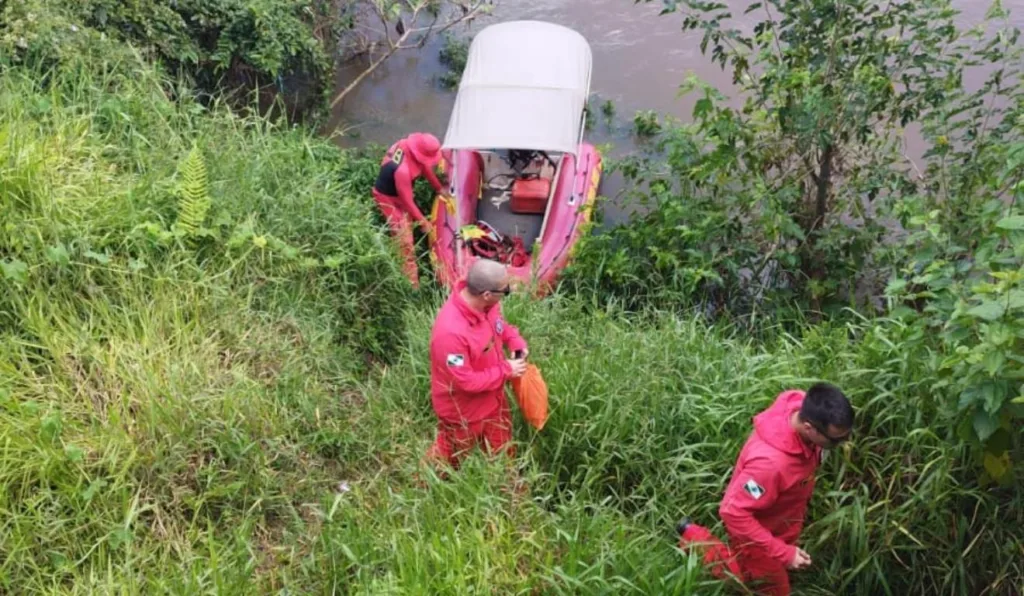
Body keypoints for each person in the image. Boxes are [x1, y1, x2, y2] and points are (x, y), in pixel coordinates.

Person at [677, 383, 854, 596]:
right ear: (809, 428)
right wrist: (783, 553)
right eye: (836, 440)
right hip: (758, 535)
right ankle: (694, 538)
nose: (845, 442)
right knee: (754, 583)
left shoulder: (798, 404)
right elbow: (733, 512)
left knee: (758, 573)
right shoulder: (770, 466)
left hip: (782, 519)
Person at [424, 259, 529, 471]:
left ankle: (508, 489)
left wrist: (515, 341)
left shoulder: (488, 305)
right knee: (447, 462)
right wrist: (506, 370)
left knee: (503, 456)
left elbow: (500, 326)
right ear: (486, 294)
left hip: (494, 400)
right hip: (463, 412)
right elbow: (465, 381)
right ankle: (423, 489)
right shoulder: (450, 334)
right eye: (505, 290)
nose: (507, 292)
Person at [373, 132, 448, 288]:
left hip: (399, 192)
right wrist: (423, 222)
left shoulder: (407, 147)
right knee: (405, 241)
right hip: (389, 199)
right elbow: (407, 202)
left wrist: (439, 188)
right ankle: (410, 284)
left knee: (408, 226)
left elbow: (424, 167)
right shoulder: (402, 170)